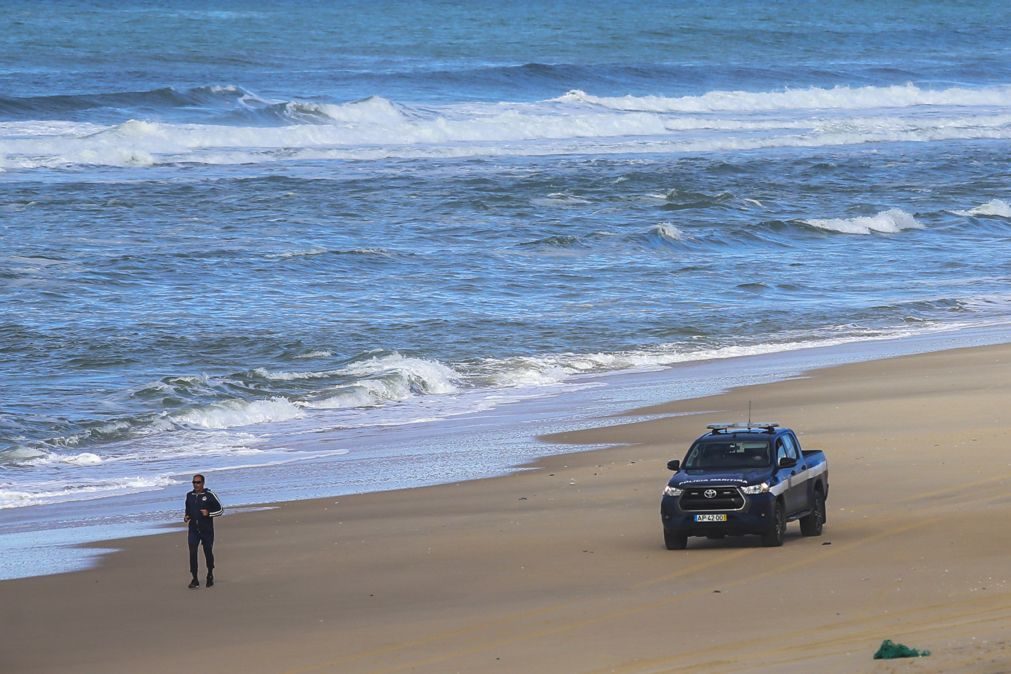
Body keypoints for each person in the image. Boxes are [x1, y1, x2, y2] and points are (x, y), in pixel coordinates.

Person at [183, 473, 223, 588]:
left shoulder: (209, 495)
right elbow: (188, 510)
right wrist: (187, 517)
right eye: (194, 482)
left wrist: (209, 513)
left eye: (198, 482)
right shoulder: (189, 495)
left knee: (208, 552)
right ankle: (194, 578)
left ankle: (210, 574)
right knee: (192, 553)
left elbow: (220, 510)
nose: (196, 485)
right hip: (193, 530)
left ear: (203, 483)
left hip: (207, 530)